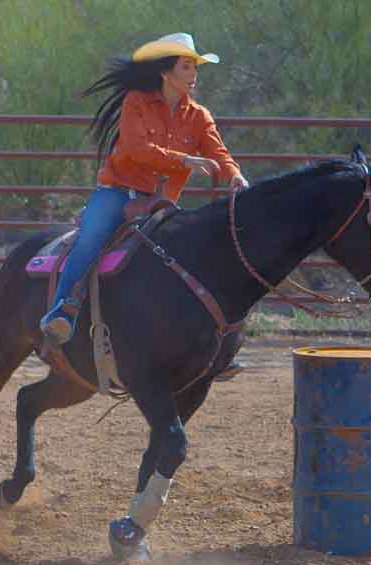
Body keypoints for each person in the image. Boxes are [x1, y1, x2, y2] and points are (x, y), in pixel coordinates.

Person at [39, 32, 249, 378]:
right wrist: (183, 160)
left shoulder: (199, 116)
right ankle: (62, 313)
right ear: (167, 73)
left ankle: (213, 342)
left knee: (198, 255)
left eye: (195, 66)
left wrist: (234, 176)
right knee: (90, 239)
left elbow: (218, 152)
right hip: (118, 192)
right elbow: (136, 149)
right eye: (186, 66)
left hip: (162, 203)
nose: (194, 73)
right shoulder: (136, 101)